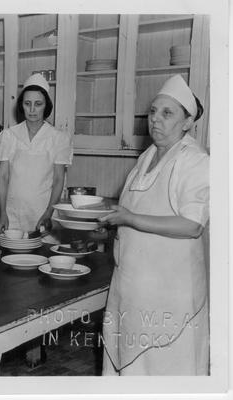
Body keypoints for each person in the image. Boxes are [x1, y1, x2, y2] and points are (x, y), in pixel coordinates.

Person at [99, 74, 209, 375]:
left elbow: (192, 225)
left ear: (187, 123)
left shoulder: (194, 161)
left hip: (169, 293)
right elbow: (134, 210)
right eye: (153, 112)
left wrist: (130, 218)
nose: (155, 120)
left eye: (167, 113)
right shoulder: (147, 156)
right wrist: (113, 222)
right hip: (132, 287)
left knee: (164, 372)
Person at [0, 73, 73, 233]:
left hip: (43, 215)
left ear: (46, 105)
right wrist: (2, 213)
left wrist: (48, 213)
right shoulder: (9, 136)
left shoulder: (58, 138)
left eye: (38, 104)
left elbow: (59, 179)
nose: (32, 110)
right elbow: (3, 177)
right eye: (27, 103)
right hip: (13, 215)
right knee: (12, 256)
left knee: (42, 255)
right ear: (21, 105)